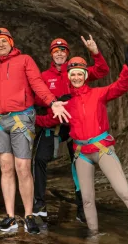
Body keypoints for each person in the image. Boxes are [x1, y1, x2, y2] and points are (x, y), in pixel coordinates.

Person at [37, 43, 128, 244]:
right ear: (69, 77)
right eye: (73, 74)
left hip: (102, 149)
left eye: (80, 74)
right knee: (87, 200)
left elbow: (121, 86)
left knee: (125, 192)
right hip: (81, 154)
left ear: (85, 75)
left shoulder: (98, 94)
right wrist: (27, 114)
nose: (76, 77)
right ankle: (94, 238)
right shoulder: (66, 104)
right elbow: (46, 121)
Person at [0, 27, 70, 235]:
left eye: (4, 40)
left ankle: (29, 215)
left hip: (21, 118)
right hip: (0, 121)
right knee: (6, 168)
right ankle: (9, 216)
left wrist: (52, 102)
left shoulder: (24, 60)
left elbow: (36, 83)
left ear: (11, 42)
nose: (1, 44)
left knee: (22, 167)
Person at [33, 36, 109, 221]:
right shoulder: (45, 76)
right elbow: (36, 99)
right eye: (55, 51)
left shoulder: (76, 71)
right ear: (51, 54)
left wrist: (95, 53)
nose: (59, 53)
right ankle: (39, 203)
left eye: (63, 50)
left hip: (76, 125)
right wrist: (52, 106)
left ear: (67, 53)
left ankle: (82, 207)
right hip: (53, 124)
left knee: (78, 165)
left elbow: (102, 71)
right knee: (39, 160)